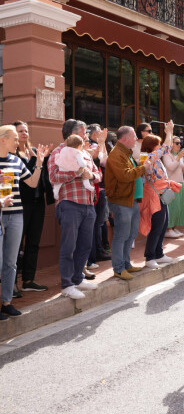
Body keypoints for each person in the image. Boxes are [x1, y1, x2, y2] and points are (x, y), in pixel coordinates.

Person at [48, 119, 100, 300]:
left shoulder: (85, 153)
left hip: (88, 205)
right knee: (69, 246)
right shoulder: (58, 152)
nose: (86, 136)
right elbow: (54, 176)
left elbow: (98, 174)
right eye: (84, 133)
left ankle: (78, 278)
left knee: (85, 245)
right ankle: (67, 284)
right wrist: (76, 172)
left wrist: (90, 175)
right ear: (73, 134)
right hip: (69, 204)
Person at [0, 126, 48, 317]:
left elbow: (33, 183)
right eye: (14, 139)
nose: (18, 142)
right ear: (3, 139)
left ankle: (7, 302)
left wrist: (39, 163)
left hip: (16, 214)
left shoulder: (16, 161)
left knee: (11, 262)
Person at [13, 121, 53, 295]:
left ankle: (28, 280)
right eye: (20, 131)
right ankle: (12, 283)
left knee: (33, 243)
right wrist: (36, 161)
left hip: (38, 203)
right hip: (20, 203)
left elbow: (43, 175)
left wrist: (43, 158)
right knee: (15, 245)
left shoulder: (35, 152)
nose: (24, 134)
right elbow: (26, 178)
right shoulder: (12, 154)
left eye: (26, 131)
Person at [105, 126, 149, 280]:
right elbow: (124, 176)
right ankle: (118, 268)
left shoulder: (126, 153)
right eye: (134, 136)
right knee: (121, 235)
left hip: (131, 200)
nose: (136, 139)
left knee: (130, 235)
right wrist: (143, 168)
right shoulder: (116, 154)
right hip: (121, 201)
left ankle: (126, 264)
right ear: (124, 138)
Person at [139, 121, 179, 268]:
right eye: (157, 145)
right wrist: (169, 132)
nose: (160, 147)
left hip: (162, 194)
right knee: (156, 226)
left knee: (163, 225)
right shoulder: (149, 157)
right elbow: (166, 148)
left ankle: (158, 253)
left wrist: (169, 132)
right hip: (154, 196)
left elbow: (165, 148)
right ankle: (150, 257)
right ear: (152, 147)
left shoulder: (155, 158)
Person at [86, 124, 110, 270]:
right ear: (95, 135)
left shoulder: (98, 145)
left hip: (100, 189)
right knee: (96, 223)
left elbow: (104, 161)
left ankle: (98, 251)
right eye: (100, 132)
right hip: (95, 189)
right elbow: (103, 161)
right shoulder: (92, 146)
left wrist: (102, 143)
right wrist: (101, 143)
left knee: (99, 222)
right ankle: (95, 254)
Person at [163, 136, 184, 238]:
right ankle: (168, 229)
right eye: (176, 143)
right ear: (171, 144)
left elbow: (180, 169)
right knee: (172, 206)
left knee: (179, 207)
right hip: (171, 183)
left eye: (179, 143)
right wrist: (178, 158)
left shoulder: (179, 155)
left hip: (180, 182)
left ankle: (173, 228)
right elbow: (171, 167)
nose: (179, 145)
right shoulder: (166, 155)